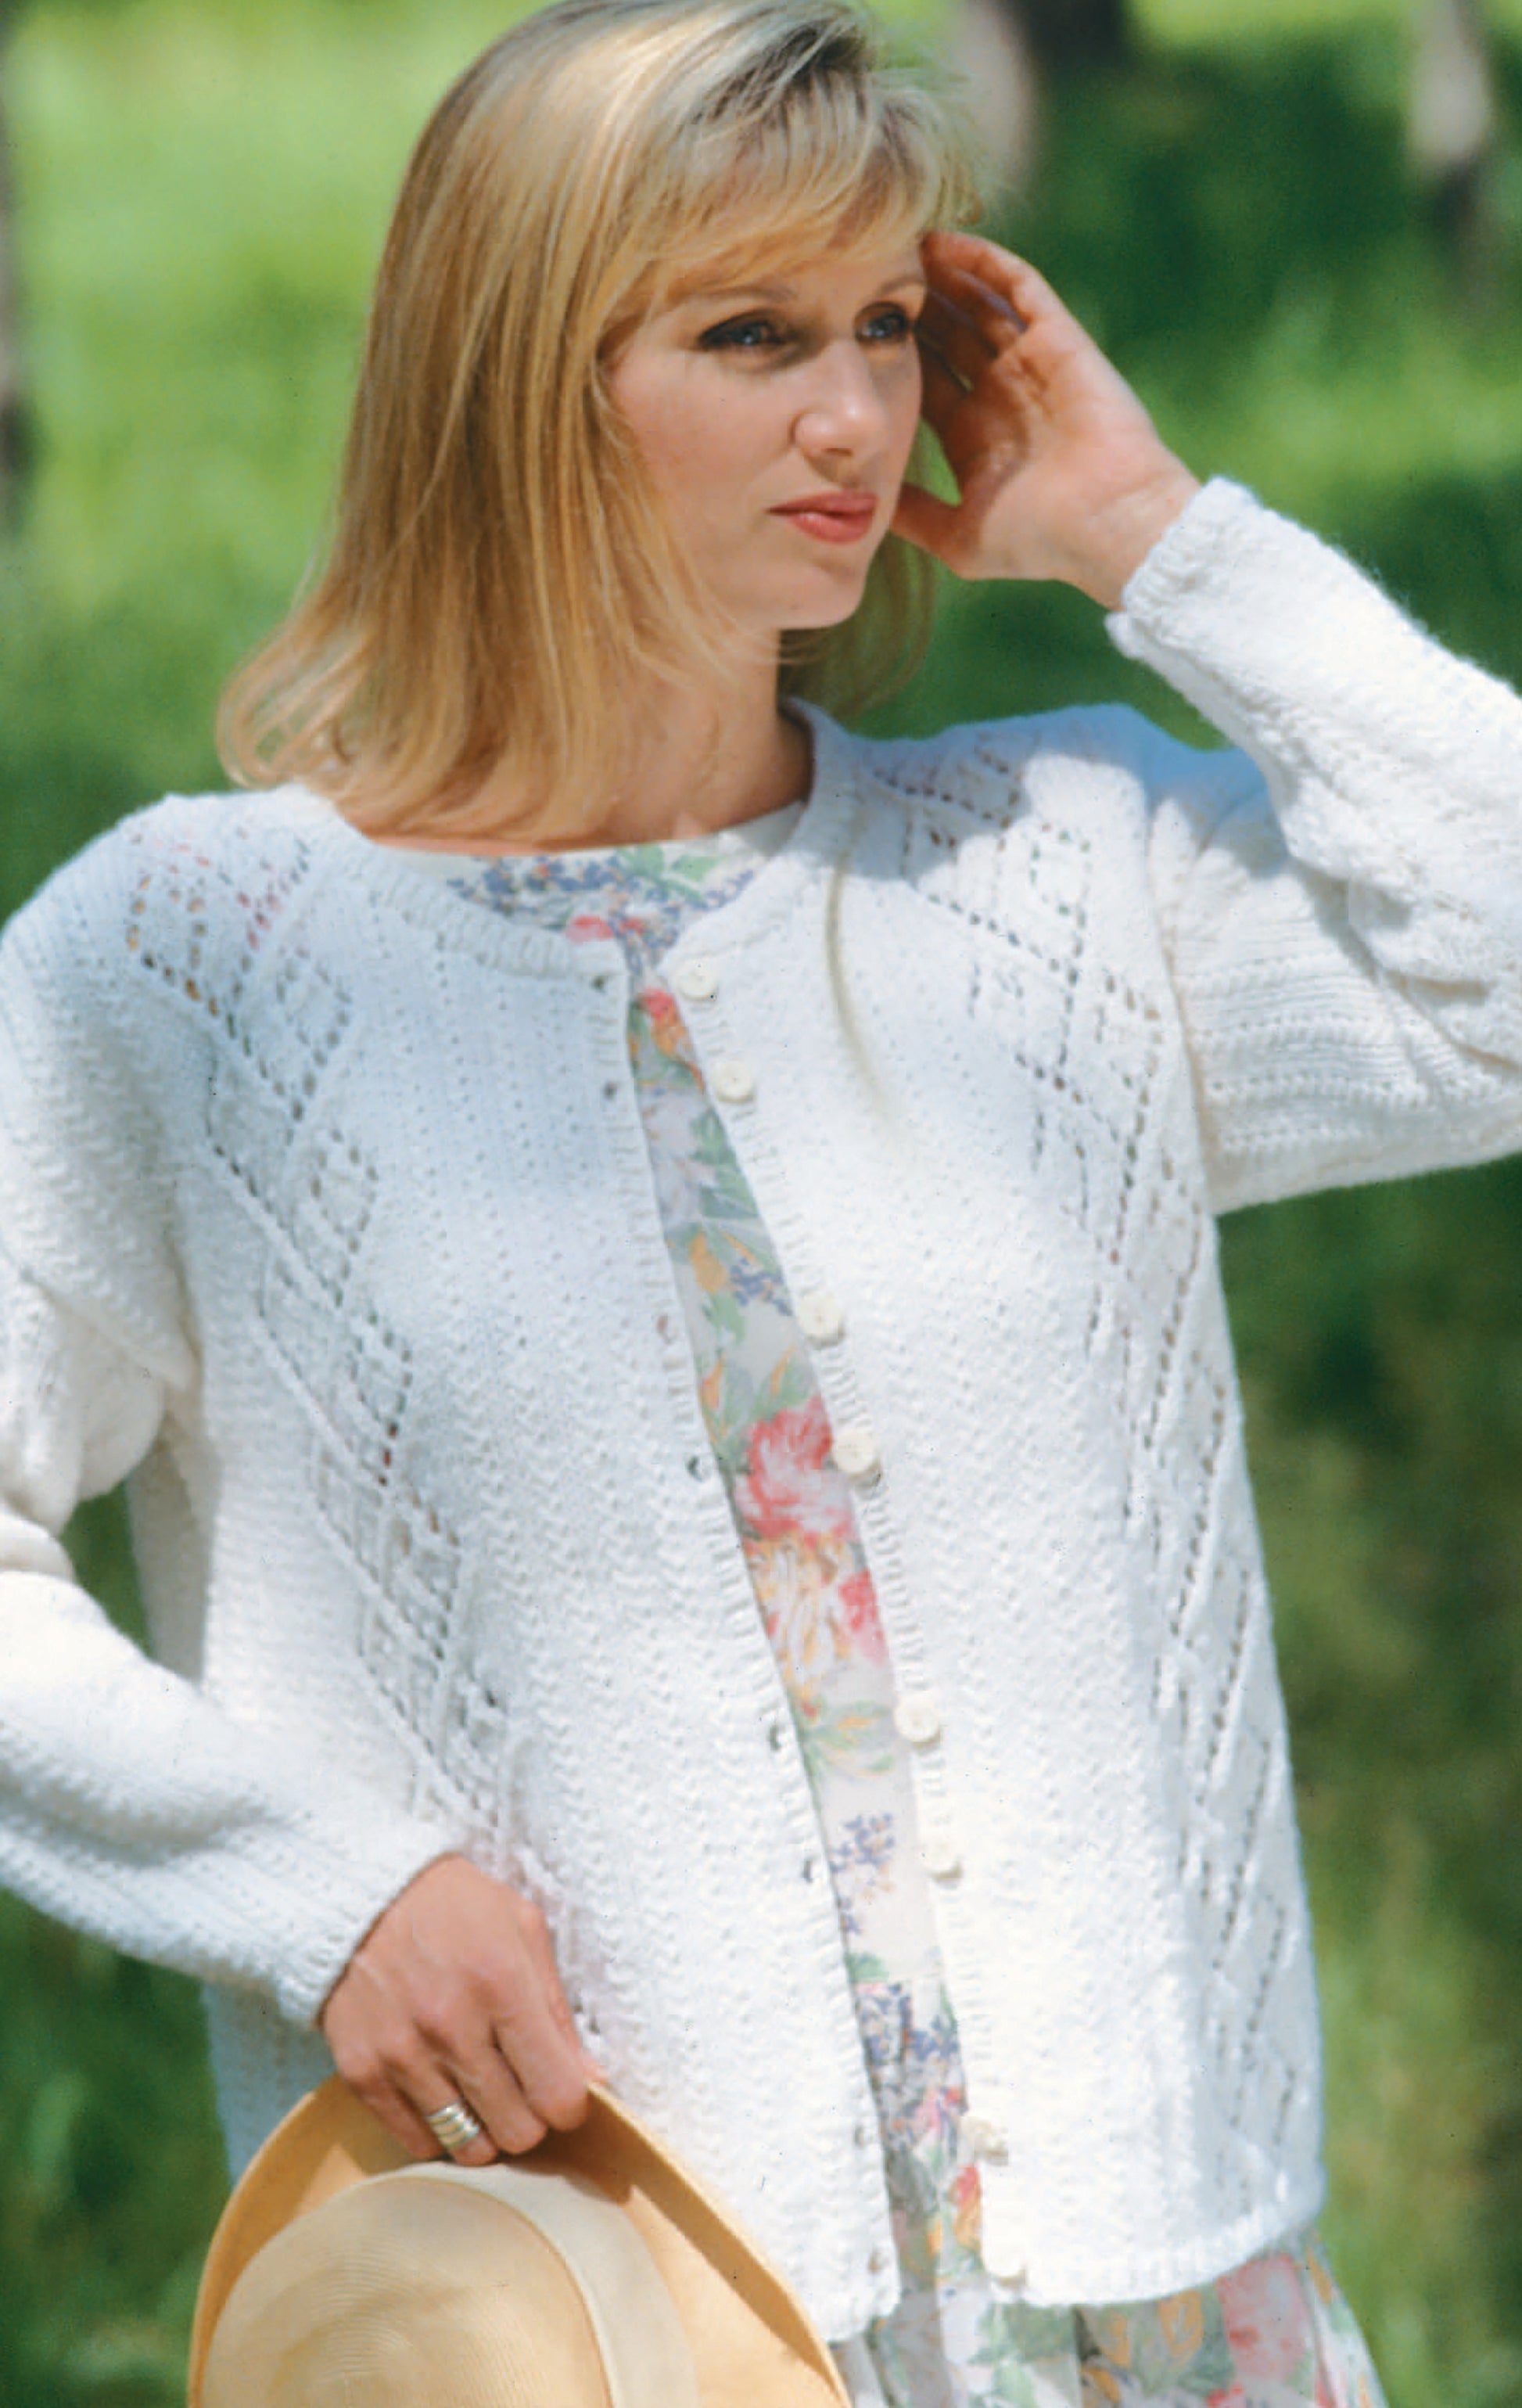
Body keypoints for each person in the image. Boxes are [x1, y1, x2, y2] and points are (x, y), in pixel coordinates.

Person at [2, 0, 1520, 2399]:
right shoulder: (181, 969)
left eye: (884, 328)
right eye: (747, 336)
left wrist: (1154, 539)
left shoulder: (1056, 871)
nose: (852, 417)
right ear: (518, 373)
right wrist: (324, 1895)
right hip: (598, 2314)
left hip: (1149, 2310)